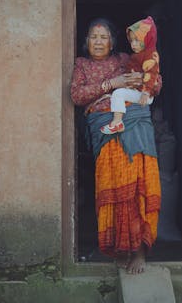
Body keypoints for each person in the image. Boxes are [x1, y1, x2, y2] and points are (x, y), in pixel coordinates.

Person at [70, 17, 161, 274]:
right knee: (114, 187)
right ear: (86, 42)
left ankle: (140, 252)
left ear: (112, 41)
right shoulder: (82, 65)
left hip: (136, 125)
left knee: (139, 188)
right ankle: (121, 248)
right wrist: (112, 85)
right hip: (105, 130)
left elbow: (156, 80)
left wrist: (141, 83)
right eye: (93, 37)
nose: (98, 42)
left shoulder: (126, 59)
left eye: (104, 37)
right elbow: (76, 95)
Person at [100, 16, 160, 135]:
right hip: (139, 92)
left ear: (148, 39)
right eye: (132, 40)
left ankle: (117, 122)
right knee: (118, 94)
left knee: (118, 94)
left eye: (137, 40)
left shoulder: (150, 55)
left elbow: (152, 74)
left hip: (144, 94)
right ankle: (117, 122)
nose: (133, 44)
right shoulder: (137, 55)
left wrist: (146, 91)